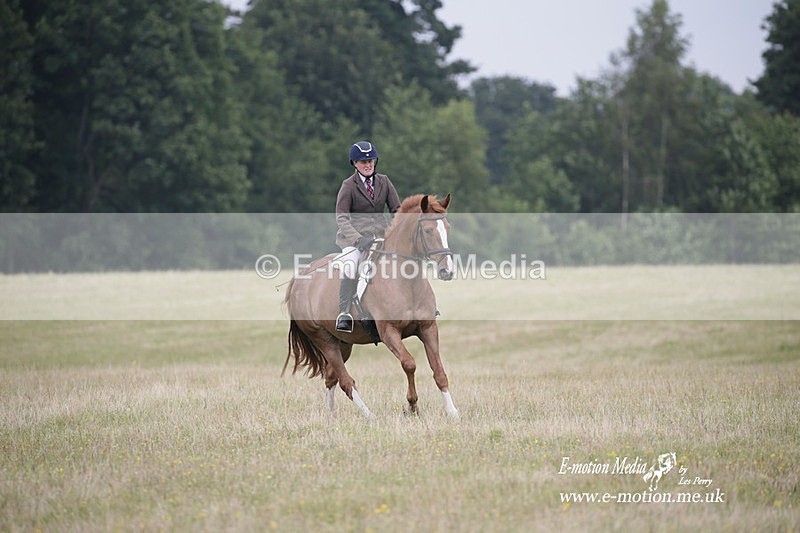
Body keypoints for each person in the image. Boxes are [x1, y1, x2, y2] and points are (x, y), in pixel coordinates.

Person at [334, 141, 401, 332]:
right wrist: (357, 239)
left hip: (380, 238)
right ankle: (344, 312)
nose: (368, 164)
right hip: (354, 241)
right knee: (352, 265)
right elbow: (342, 217)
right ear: (354, 163)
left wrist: (397, 232)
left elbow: (397, 209)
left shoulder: (384, 182)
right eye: (363, 161)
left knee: (404, 262)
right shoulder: (348, 186)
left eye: (371, 160)